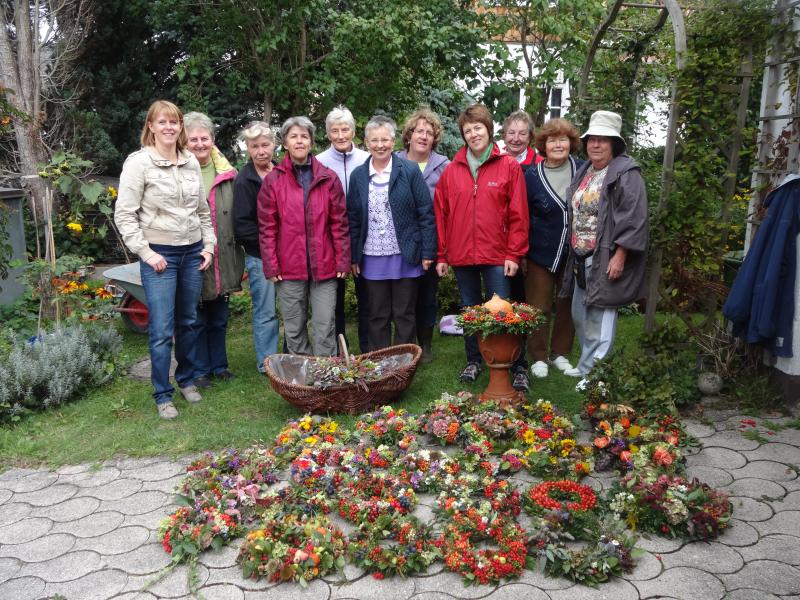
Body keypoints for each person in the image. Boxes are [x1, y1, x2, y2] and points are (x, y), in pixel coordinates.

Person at [115, 100, 216, 419]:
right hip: (160, 255)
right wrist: (146, 253)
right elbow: (125, 214)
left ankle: (185, 380)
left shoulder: (189, 162)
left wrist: (209, 246)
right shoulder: (139, 163)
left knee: (187, 321)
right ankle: (162, 394)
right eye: (163, 122)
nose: (169, 127)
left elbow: (203, 211)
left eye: (174, 122)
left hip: (192, 253)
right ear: (151, 127)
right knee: (161, 329)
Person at [434, 104, 529, 387]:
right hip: (462, 254)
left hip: (497, 254)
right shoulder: (452, 171)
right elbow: (441, 214)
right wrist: (442, 254)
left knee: (503, 312)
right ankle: (474, 361)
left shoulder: (508, 166)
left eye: (478, 128)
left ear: (488, 130)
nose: (474, 134)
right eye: (468, 130)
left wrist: (514, 253)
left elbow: (518, 214)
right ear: (463, 135)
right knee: (470, 311)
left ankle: (517, 365)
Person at [561, 110, 648, 380]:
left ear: (615, 144)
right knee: (580, 315)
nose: (596, 144)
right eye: (592, 139)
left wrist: (620, 255)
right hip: (581, 255)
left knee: (602, 318)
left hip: (606, 257)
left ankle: (596, 374)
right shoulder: (586, 170)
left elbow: (634, 217)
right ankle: (586, 365)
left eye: (603, 140)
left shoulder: (626, 173)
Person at [258, 116, 351, 356]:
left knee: (325, 326)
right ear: (285, 143)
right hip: (289, 269)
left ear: (311, 142)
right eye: (293, 136)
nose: (299, 141)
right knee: (294, 328)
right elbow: (267, 228)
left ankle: (326, 379)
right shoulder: (273, 181)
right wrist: (271, 264)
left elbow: (339, 223)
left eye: (304, 136)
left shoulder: (328, 178)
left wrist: (342, 260)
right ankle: (301, 382)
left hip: (325, 267)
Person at [347, 115, 436, 350]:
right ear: (366, 142)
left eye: (384, 139)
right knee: (377, 315)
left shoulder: (409, 170)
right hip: (372, 256)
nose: (379, 145)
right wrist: (354, 256)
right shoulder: (358, 176)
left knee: (404, 313)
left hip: (405, 254)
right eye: (374, 140)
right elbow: (353, 219)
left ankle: (403, 364)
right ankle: (381, 367)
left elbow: (425, 213)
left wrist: (427, 252)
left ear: (393, 141)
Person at [184, 112, 245, 387]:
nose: (199, 144)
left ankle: (219, 366)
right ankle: (199, 370)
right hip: (193, 253)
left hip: (224, 254)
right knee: (195, 318)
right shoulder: (180, 170)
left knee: (219, 317)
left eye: (204, 138)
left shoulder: (227, 173)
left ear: (212, 140)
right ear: (185, 141)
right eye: (193, 139)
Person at [524, 118, 583, 379]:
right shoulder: (532, 176)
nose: (558, 144)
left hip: (575, 253)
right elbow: (522, 215)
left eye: (563, 139)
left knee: (567, 303)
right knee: (538, 307)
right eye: (552, 140)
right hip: (540, 253)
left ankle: (560, 353)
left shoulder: (582, 171)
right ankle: (538, 356)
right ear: (543, 145)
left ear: (570, 143)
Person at [397, 108, 450, 363]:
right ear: (409, 135)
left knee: (427, 295)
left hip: (431, 238)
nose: (424, 136)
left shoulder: (444, 166)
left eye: (429, 133)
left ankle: (425, 344)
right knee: (403, 296)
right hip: (400, 240)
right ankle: (404, 346)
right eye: (419, 131)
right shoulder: (394, 160)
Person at [316, 106, 370, 352]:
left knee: (367, 297)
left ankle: (369, 346)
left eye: (345, 129)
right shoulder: (318, 162)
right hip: (331, 241)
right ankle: (339, 348)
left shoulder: (366, 159)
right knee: (333, 299)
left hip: (363, 239)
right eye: (334, 131)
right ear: (327, 134)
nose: (340, 135)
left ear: (353, 131)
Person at [233, 121, 281, 374]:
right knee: (265, 311)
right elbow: (243, 227)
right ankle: (267, 363)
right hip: (260, 257)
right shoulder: (245, 180)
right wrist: (270, 248)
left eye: (265, 144)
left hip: (288, 255)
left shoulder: (284, 171)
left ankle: (291, 358)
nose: (261, 151)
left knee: (294, 310)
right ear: (248, 149)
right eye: (255, 146)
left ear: (274, 145)